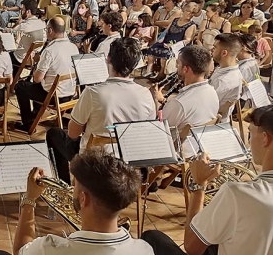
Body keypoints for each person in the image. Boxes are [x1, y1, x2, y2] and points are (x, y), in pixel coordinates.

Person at [0, 151, 158, 255]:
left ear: (83, 199)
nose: (70, 190)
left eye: (74, 186)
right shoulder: (146, 254)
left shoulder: (50, 251)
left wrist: (29, 200)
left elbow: (20, 253)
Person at [143, 105, 273, 255]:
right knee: (219, 241)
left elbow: (192, 246)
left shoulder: (237, 194)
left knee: (152, 238)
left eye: (250, 134)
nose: (249, 142)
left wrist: (199, 186)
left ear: (265, 139)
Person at [47, 38, 156, 182]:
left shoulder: (93, 92)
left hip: (94, 160)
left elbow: (73, 133)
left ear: (108, 59)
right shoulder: (146, 94)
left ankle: (65, 186)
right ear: (135, 64)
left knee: (54, 134)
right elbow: (147, 131)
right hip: (128, 161)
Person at [14, 17, 78, 133]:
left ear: (50, 31)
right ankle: (36, 112)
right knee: (39, 84)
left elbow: (37, 79)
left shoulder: (50, 50)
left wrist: (37, 64)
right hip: (70, 94)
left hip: (53, 96)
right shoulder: (74, 48)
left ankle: (28, 123)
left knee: (20, 86)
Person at [150, 45, 219, 131]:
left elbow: (159, 129)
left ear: (185, 69)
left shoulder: (178, 103)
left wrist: (156, 102)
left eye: (178, 63)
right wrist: (163, 101)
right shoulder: (212, 92)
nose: (176, 67)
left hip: (176, 143)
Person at [144, 3, 198, 81]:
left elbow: (187, 40)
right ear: (183, 10)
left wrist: (172, 45)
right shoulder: (175, 20)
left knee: (166, 54)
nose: (190, 14)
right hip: (166, 42)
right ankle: (149, 71)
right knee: (152, 48)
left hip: (178, 46)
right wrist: (161, 38)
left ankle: (161, 74)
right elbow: (166, 31)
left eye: (193, 13)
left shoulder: (191, 25)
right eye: (188, 11)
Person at [209, 33, 243, 122]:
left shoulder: (224, 81)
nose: (212, 50)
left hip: (211, 121)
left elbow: (206, 105)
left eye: (215, 47)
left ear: (224, 53)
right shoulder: (227, 68)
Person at [10, 0, 46, 78]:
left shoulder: (24, 26)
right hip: (34, 57)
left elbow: (10, 33)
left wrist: (17, 23)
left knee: (5, 55)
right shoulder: (42, 23)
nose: (21, 12)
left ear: (28, 12)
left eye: (22, 10)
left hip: (21, 58)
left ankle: (9, 80)